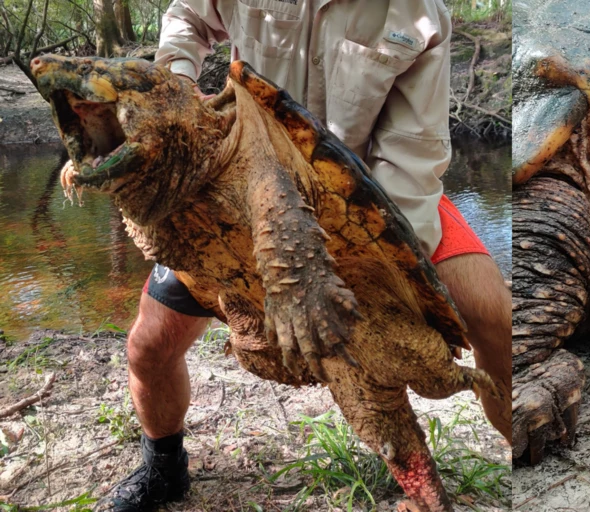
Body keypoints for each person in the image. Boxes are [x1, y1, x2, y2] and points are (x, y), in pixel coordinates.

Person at [98, 1, 511, 510]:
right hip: (234, 179)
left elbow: (411, 152)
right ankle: (163, 466)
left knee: (496, 318)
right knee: (148, 347)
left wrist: (375, 269)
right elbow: (186, 17)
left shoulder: (417, 12)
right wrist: (177, 93)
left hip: (365, 187)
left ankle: (525, 448)